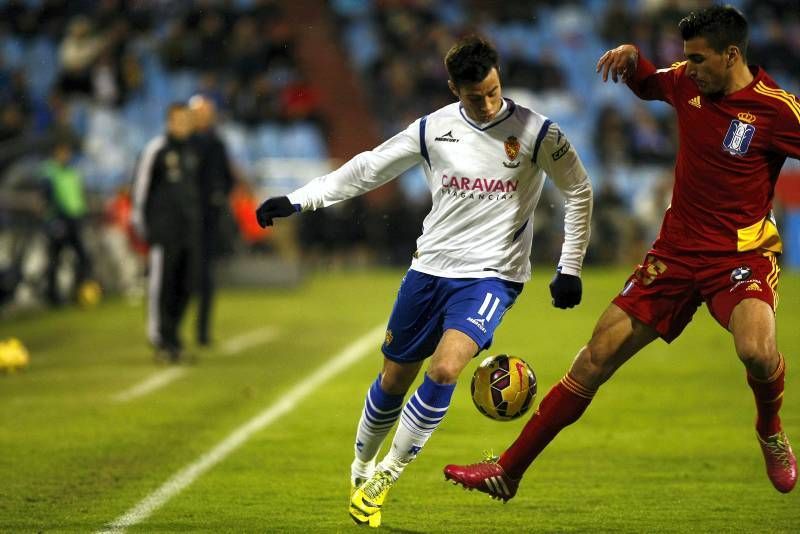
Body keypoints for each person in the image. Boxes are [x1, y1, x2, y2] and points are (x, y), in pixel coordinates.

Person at [444, 5, 798, 501]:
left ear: (731, 55)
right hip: (674, 254)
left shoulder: (777, 110)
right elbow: (652, 82)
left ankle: (770, 431)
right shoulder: (687, 83)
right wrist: (633, 60)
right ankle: (508, 470)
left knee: (757, 352)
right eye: (685, 59)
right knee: (594, 357)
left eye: (697, 59)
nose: (688, 68)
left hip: (739, 257)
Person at [255, 35, 593, 527]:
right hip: (429, 269)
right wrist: (300, 199)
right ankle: (361, 467)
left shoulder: (537, 133)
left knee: (445, 369)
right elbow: (369, 168)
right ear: (454, 88)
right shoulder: (434, 129)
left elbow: (579, 191)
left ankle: (384, 479)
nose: (488, 104)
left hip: (491, 277)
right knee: (393, 378)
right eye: (475, 97)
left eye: (494, 91)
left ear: (500, 76)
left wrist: (570, 267)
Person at [131, 103, 200, 362]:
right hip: (163, 230)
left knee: (186, 285)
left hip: (188, 231)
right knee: (162, 285)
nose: (183, 126)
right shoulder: (156, 150)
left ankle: (173, 336)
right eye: (178, 121)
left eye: (186, 121)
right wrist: (142, 226)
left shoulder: (192, 152)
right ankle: (160, 338)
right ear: (169, 122)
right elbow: (140, 188)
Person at [188, 94, 235, 346]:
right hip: (186, 219)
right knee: (182, 276)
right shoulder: (185, 143)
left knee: (205, 276)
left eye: (207, 112)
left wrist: (219, 196)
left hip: (208, 219)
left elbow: (227, 178)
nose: (204, 117)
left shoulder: (216, 143)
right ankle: (170, 332)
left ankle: (202, 332)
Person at [41, 138, 93, 305]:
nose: (65, 156)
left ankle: (79, 292)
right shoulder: (49, 172)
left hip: (75, 219)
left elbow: (78, 195)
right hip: (58, 220)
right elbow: (48, 198)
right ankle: (53, 297)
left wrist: (82, 214)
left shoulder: (73, 171)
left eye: (67, 152)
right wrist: (55, 218)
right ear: (55, 153)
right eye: (62, 152)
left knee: (83, 258)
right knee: (55, 260)